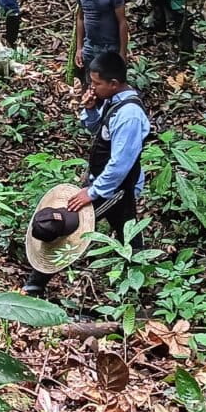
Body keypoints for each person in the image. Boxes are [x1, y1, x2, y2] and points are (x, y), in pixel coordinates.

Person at [23, 51, 150, 296]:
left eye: (97, 83)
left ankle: (35, 283)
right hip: (102, 182)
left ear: (114, 83)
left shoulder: (129, 116)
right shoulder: (113, 102)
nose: (92, 87)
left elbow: (121, 163)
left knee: (68, 221)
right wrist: (90, 109)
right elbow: (98, 131)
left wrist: (92, 193)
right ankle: (138, 284)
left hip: (115, 188)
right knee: (127, 231)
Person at [68, 0, 129, 84]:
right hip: (89, 46)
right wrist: (79, 48)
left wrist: (122, 53)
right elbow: (80, 18)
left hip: (110, 47)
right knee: (90, 81)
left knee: (108, 83)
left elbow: (122, 23)